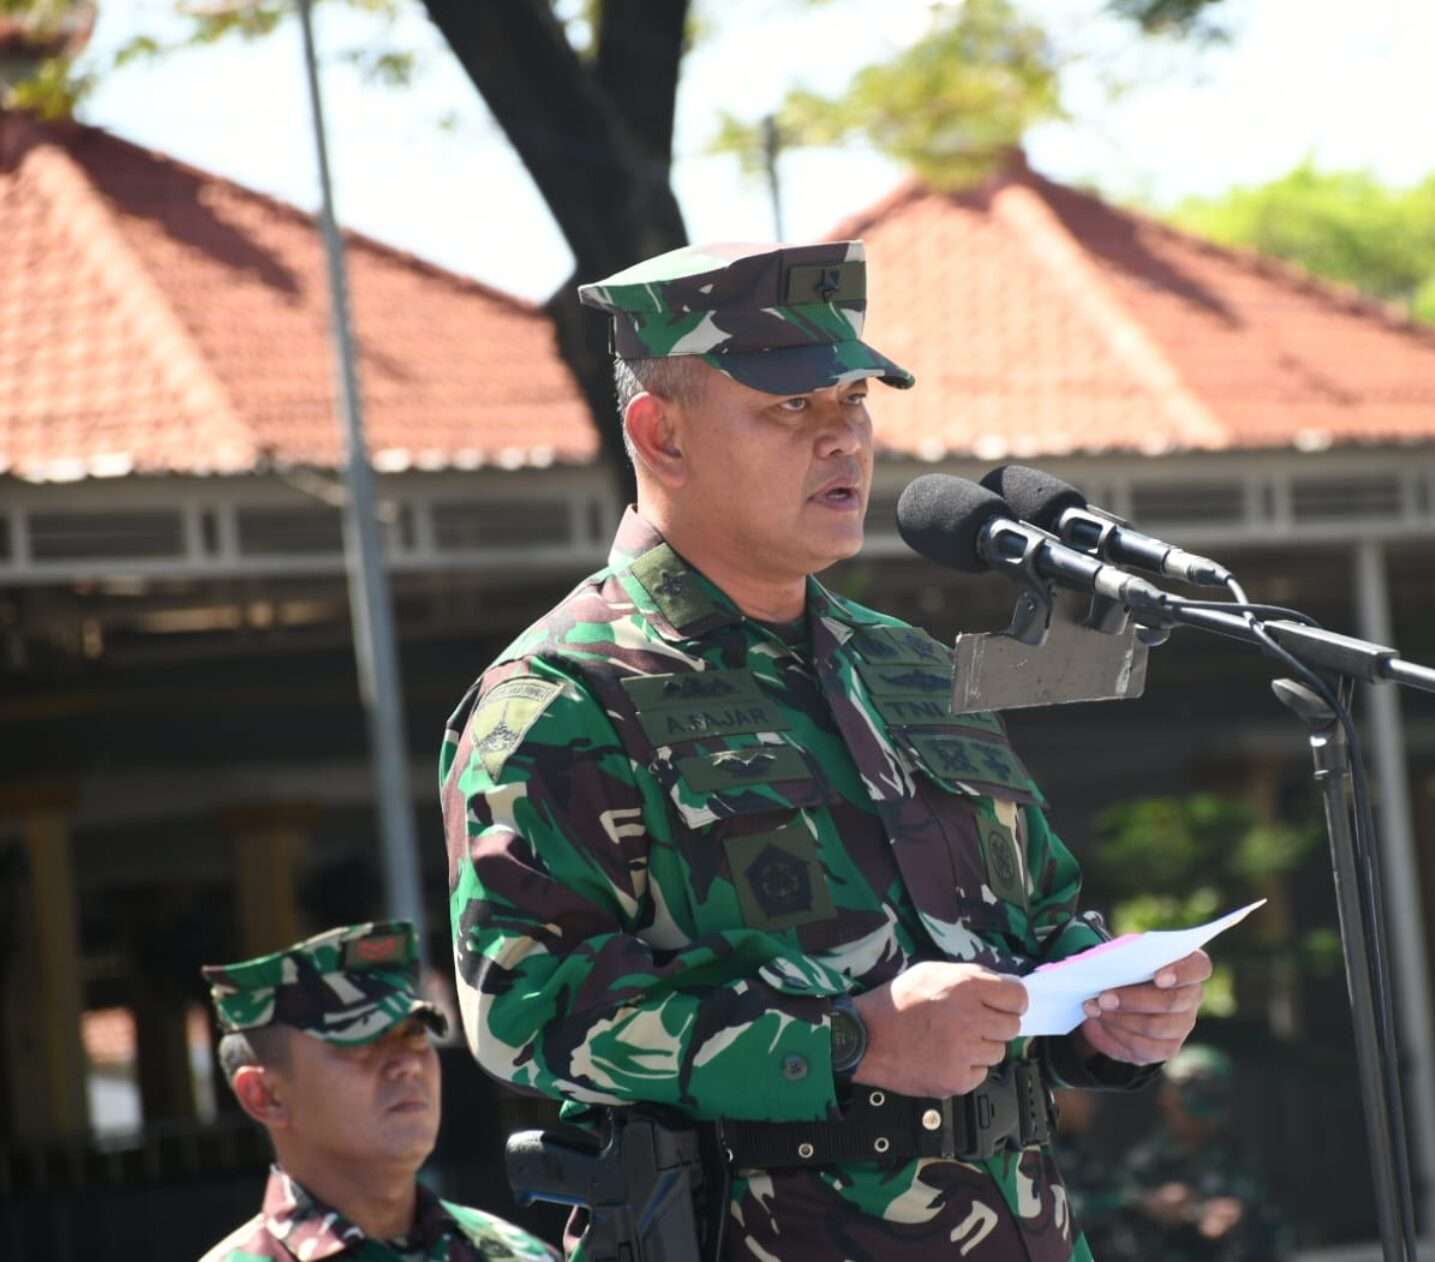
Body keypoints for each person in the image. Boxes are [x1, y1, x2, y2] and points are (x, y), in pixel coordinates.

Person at [438, 239, 1211, 1262]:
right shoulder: (565, 697)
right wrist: (851, 1038)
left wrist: (1108, 999)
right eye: (790, 406)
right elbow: (525, 1013)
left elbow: (1037, 918)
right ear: (659, 430)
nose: (843, 436)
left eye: (853, 396)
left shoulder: (911, 669)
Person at [195, 921, 558, 1262]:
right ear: (264, 1095)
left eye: (414, 1034)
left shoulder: (522, 1255)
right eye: (360, 1041)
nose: (407, 1064)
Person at [1103, 1045, 1286, 1262]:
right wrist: (1148, 1204)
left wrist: (1238, 1218)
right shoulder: (1144, 1162)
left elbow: (1272, 1227)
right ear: (1166, 1098)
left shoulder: (1240, 1157)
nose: (1194, 1120)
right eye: (1181, 1095)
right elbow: (1110, 1213)